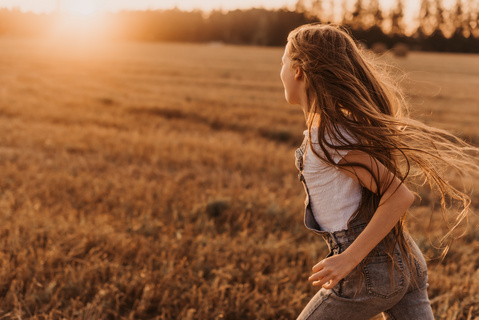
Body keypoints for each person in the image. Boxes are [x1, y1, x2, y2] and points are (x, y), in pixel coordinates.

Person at [280, 23, 477, 320]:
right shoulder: (333, 131)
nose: (279, 72)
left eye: (282, 63)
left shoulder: (329, 137)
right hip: (404, 261)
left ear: (297, 71)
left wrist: (348, 259)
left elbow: (398, 196)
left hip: (371, 273)